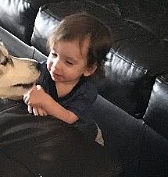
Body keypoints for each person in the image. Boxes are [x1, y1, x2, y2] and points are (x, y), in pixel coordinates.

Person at [23, 12, 112, 141]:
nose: (56, 65)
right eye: (54, 54)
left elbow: (69, 118)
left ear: (89, 69)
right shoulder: (42, 70)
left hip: (83, 135)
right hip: (52, 130)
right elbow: (27, 86)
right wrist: (31, 95)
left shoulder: (87, 90)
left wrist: (44, 101)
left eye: (69, 62)